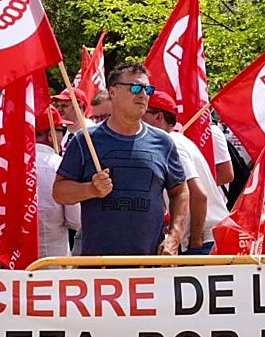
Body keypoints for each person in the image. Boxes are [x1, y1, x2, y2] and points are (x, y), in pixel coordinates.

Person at [54, 63, 188, 256]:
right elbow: (59, 192)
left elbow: (180, 192)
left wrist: (174, 238)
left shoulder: (163, 142)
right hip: (100, 265)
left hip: (151, 263)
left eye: (147, 89)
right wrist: (90, 189)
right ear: (113, 92)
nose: (142, 94)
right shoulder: (86, 140)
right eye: (135, 88)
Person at [142, 90, 227, 254]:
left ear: (159, 117)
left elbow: (199, 194)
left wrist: (195, 241)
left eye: (142, 115)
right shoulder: (180, 141)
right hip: (207, 237)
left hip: (204, 241)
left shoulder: (173, 144)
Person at [34, 107, 81, 258]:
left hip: (12, 265)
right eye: (63, 130)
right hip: (52, 262)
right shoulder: (60, 166)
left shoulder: (9, 166)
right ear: (50, 135)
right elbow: (76, 220)